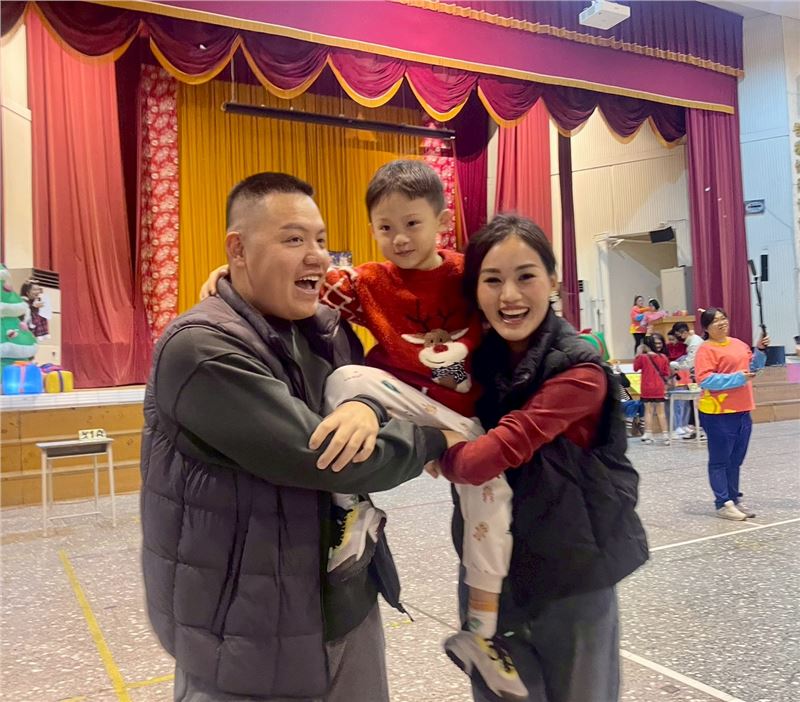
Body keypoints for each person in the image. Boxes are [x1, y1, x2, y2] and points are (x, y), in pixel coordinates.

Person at [201, 160, 527, 701]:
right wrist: (229, 271)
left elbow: (516, 297)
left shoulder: (470, 274)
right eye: (385, 227)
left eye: (412, 224)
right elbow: (292, 282)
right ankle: (349, 507)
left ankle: (479, 631)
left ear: (442, 221)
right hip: (401, 402)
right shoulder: (367, 283)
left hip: (463, 419)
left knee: (492, 505)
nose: (400, 239)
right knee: (347, 379)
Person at [141, 172, 452, 702]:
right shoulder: (200, 349)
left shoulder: (328, 329)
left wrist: (369, 405)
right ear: (237, 250)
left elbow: (376, 389)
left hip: (344, 602)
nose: (317, 256)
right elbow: (330, 456)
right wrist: (436, 436)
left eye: (321, 239)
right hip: (244, 632)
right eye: (293, 239)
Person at [433, 214, 649, 702]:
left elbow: (486, 458)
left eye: (526, 276)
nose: (509, 295)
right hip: (491, 578)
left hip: (572, 579)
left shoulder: (581, 371)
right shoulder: (472, 362)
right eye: (492, 280)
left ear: (552, 280)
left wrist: (438, 450)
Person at [694, 307, 769, 521]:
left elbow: (753, 368)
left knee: (735, 459)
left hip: (743, 409)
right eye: (715, 321)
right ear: (706, 328)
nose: (721, 323)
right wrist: (737, 378)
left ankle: (734, 498)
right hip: (717, 412)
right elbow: (705, 380)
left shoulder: (739, 344)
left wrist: (760, 351)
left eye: (723, 318)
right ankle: (722, 503)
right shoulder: (705, 350)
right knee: (720, 459)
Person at [633, 333, 671, 445]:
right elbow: (666, 373)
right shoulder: (663, 357)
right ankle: (665, 436)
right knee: (661, 412)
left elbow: (635, 368)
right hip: (659, 387)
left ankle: (648, 434)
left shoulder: (643, 357)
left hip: (646, 387)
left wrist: (638, 353)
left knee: (648, 411)